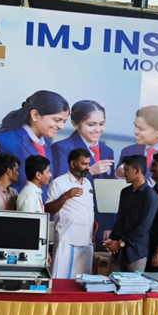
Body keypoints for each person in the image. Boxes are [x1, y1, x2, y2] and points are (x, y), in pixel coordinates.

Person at [52, 100, 116, 248]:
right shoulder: (62, 148)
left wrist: (108, 225)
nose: (98, 129)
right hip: (72, 220)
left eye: (102, 124)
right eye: (91, 124)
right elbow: (60, 186)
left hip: (100, 222)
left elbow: (108, 194)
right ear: (75, 124)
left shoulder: (107, 151)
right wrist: (90, 171)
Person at [0, 90, 69, 202]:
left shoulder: (46, 144)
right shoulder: (4, 142)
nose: (62, 126)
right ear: (35, 115)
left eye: (64, 122)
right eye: (57, 120)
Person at [45, 148, 94, 278]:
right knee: (62, 280)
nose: (88, 167)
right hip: (67, 240)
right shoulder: (59, 183)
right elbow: (49, 209)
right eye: (84, 164)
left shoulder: (88, 183)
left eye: (89, 164)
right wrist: (65, 196)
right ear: (73, 164)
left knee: (82, 282)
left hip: (86, 240)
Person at [105, 155, 158, 272]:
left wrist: (120, 243)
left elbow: (143, 227)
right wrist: (112, 239)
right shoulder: (125, 192)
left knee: (134, 284)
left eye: (127, 169)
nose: (124, 173)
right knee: (110, 282)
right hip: (117, 253)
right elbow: (120, 220)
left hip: (135, 253)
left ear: (137, 170)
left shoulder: (150, 196)